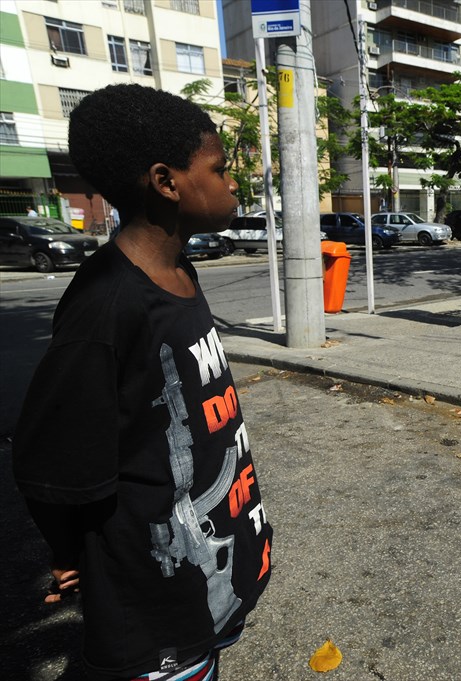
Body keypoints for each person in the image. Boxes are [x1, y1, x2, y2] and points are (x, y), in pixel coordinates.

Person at [12, 84, 273, 680]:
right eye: (219, 169)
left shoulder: (178, 269)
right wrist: (68, 554)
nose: (233, 182)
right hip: (155, 611)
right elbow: (52, 468)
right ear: (166, 182)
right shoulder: (107, 306)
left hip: (213, 569)